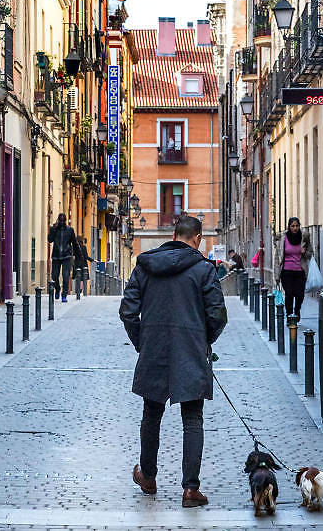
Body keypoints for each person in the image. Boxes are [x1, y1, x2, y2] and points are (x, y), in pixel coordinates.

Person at [119, 216, 228, 508]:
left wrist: (143, 342)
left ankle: (148, 477)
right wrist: (203, 341)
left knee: (151, 414)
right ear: (197, 238)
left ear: (174, 235)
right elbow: (218, 315)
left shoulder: (145, 265)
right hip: (190, 350)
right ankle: (191, 490)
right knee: (193, 419)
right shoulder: (204, 270)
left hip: (154, 349)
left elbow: (128, 311)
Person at [274, 217, 313, 322]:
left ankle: (297, 310)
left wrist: (304, 252)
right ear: (289, 227)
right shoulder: (283, 239)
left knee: (300, 294)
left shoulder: (304, 238)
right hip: (286, 271)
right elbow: (277, 258)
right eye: (292, 226)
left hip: (300, 271)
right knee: (289, 294)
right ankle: (289, 315)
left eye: (297, 226)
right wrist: (277, 276)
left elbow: (310, 254)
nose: (295, 228)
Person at [48, 213, 79, 302]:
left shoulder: (70, 230)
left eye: (63, 220)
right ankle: (57, 289)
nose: (61, 222)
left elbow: (74, 243)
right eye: (60, 220)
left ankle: (64, 294)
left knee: (66, 276)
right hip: (56, 256)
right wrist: (53, 229)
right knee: (54, 276)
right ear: (58, 220)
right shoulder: (54, 229)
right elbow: (50, 240)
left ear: (65, 221)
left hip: (66, 256)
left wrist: (78, 255)